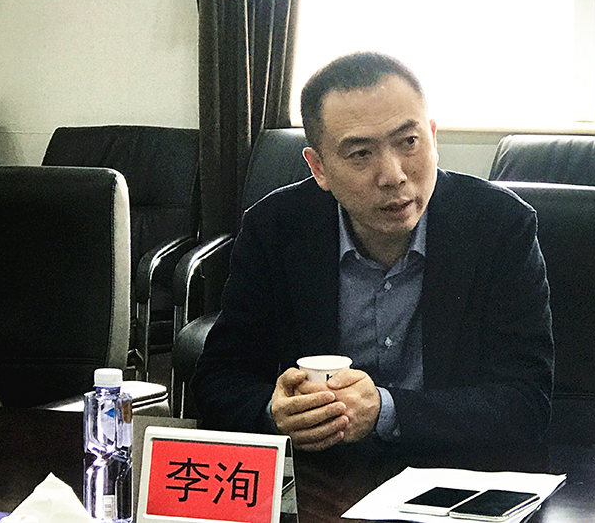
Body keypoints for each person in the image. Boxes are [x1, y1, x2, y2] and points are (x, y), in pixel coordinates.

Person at [192, 52, 554, 459]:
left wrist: (387, 410)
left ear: (433, 137)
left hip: (452, 470)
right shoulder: (275, 227)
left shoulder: (500, 226)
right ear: (319, 168)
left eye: (409, 142)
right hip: (322, 474)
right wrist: (273, 413)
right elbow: (219, 378)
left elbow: (527, 402)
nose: (393, 175)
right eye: (361, 154)